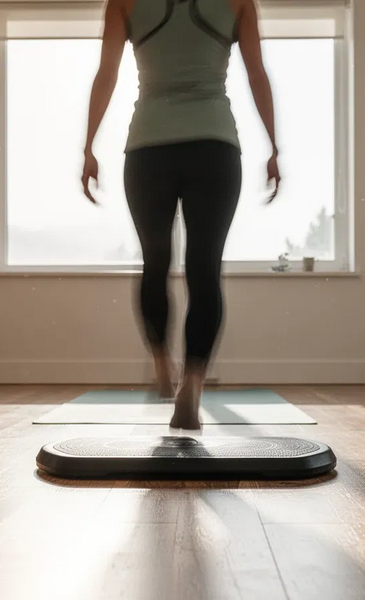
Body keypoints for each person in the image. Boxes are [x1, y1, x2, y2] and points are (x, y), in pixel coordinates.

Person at [81, 0, 279, 429]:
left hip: (149, 149)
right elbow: (257, 75)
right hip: (214, 146)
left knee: (155, 261)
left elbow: (107, 74)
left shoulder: (125, 2)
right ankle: (192, 384)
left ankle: (161, 364)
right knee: (204, 268)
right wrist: (274, 147)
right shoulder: (238, 2)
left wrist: (88, 147)